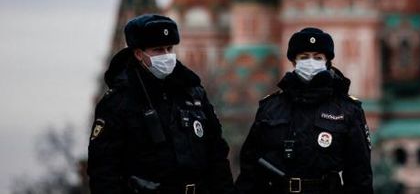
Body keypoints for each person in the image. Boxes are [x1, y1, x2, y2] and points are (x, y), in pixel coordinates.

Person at [87, 14, 236, 194]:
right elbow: (104, 171)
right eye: (158, 50)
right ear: (138, 54)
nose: (166, 56)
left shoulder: (193, 94)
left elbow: (217, 155)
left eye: (169, 48)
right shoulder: (118, 103)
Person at [234, 27, 373, 194]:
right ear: (294, 62)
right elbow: (250, 167)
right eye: (304, 57)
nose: (311, 62)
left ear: (327, 62)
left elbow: (360, 174)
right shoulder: (271, 107)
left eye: (318, 57)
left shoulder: (348, 110)